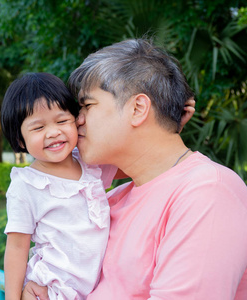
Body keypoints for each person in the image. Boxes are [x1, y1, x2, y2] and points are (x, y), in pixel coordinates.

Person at [21, 39, 247, 300]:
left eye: (87, 106)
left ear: (138, 109)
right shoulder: (114, 197)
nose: (76, 120)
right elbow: (49, 171)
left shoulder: (208, 193)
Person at [1, 72, 118, 300]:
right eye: (38, 128)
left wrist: (171, 123)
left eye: (62, 121)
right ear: (19, 140)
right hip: (52, 290)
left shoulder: (90, 162)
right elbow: (16, 248)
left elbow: (141, 160)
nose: (53, 132)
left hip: (99, 290)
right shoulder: (26, 186)